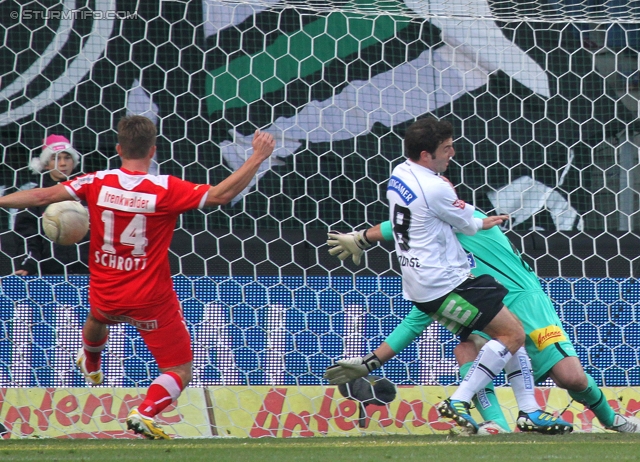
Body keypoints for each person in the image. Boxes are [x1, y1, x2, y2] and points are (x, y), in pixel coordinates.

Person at [0, 116, 276, 439]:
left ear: (118, 148)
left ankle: (91, 359)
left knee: (97, 316)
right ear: (153, 150)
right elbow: (219, 196)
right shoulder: (165, 188)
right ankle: (144, 411)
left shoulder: (96, 182)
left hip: (106, 292)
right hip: (151, 300)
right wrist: (257, 157)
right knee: (179, 369)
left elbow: (42, 197)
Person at [324, 117, 572, 435]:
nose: (452, 152)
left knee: (504, 333)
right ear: (426, 154)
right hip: (449, 282)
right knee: (513, 336)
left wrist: (362, 237)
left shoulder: (401, 173)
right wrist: (483, 222)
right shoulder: (437, 187)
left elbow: (412, 221)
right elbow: (467, 222)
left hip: (420, 283)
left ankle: (525, 413)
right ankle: (461, 400)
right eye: (446, 148)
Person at [325, 213, 640, 433]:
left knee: (571, 378)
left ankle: (612, 420)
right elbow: (414, 321)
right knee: (467, 347)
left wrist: (362, 237)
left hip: (528, 305)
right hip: (489, 312)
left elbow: (406, 222)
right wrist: (369, 363)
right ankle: (497, 428)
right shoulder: (438, 266)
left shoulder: (471, 224)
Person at [13, 135, 89, 275]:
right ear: (45, 164)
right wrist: (28, 263)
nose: (63, 163)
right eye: (56, 158)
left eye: (67, 157)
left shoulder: (88, 193)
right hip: (49, 273)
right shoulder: (35, 197)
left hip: (87, 272)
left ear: (74, 161)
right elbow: (27, 237)